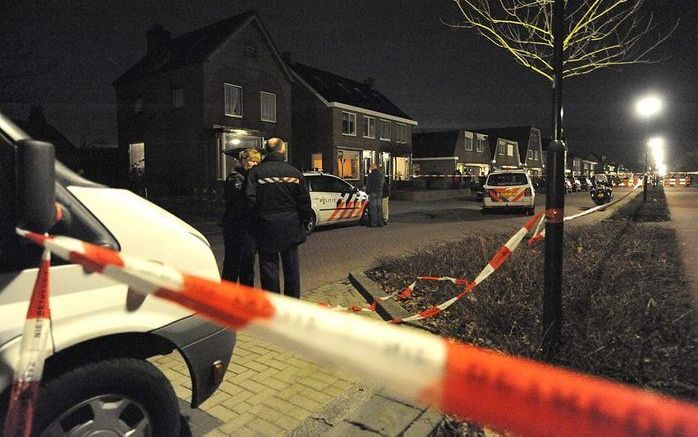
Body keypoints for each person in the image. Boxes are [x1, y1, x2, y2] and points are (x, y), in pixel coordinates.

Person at [245, 138, 311, 298]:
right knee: (292, 269)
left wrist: (258, 219)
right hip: (291, 228)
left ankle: (273, 305)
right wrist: (303, 223)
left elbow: (249, 200)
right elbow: (304, 202)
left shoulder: (256, 173)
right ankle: (292, 303)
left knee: (269, 268)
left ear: (266, 152)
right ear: (282, 151)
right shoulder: (295, 173)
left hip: (266, 228)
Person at [221, 148, 261, 285]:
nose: (255, 164)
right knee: (232, 264)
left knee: (248, 265)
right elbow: (239, 199)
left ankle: (246, 298)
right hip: (235, 227)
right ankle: (226, 298)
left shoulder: (251, 178)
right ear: (243, 161)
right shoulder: (235, 177)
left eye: (257, 161)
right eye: (251, 160)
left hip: (248, 228)